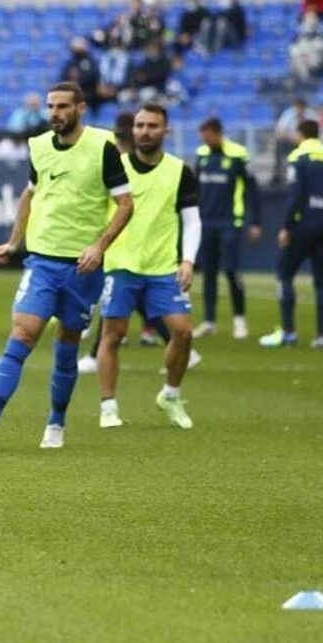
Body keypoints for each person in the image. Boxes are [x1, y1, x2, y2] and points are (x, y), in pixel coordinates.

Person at [0, 82, 133, 449]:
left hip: (83, 269)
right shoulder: (39, 147)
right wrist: (14, 241)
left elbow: (125, 205)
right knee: (22, 334)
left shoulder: (103, 147)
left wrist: (99, 246)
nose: (54, 113)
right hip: (41, 262)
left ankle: (56, 423)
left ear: (80, 108)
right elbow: (30, 193)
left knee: (66, 344)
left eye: (62, 106)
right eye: (50, 106)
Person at [95, 103, 201, 430]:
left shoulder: (179, 170)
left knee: (183, 332)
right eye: (139, 125)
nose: (144, 131)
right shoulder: (116, 167)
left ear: (165, 131)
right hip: (121, 265)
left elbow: (192, 220)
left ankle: (170, 395)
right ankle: (108, 407)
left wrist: (188, 260)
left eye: (152, 126)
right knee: (113, 334)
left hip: (162, 267)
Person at [261, 119, 323, 347]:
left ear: (300, 135)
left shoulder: (298, 158)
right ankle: (322, 337)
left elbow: (295, 195)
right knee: (321, 281)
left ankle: (289, 332)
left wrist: (287, 226)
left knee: (284, 275)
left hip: (303, 225)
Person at [193, 117, 261, 339]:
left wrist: (255, 222)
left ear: (218, 133)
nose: (205, 140)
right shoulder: (202, 155)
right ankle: (209, 321)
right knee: (208, 273)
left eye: (208, 136)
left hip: (230, 222)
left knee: (232, 271)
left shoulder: (238, 155)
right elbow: (195, 190)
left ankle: (239, 321)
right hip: (206, 222)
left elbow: (252, 190)